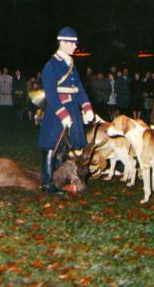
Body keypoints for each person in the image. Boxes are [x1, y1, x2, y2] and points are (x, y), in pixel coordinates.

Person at [38, 27, 94, 193]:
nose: (75, 46)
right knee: (51, 145)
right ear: (62, 43)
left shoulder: (71, 64)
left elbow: (80, 88)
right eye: (72, 43)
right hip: (57, 110)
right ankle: (47, 183)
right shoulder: (51, 65)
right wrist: (62, 114)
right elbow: (51, 94)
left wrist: (87, 107)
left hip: (73, 108)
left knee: (68, 146)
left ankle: (62, 180)